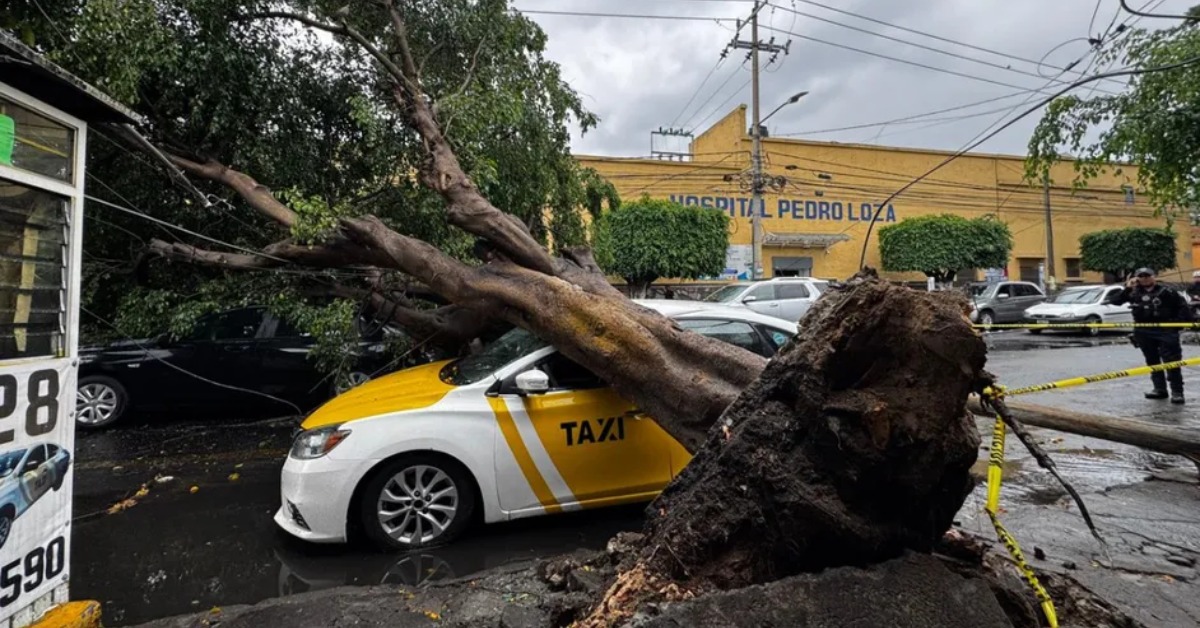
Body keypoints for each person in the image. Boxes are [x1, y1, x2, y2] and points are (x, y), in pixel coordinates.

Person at [1110, 268, 1191, 404]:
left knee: (1172, 362)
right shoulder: (1134, 292)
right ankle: (1159, 389)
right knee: (1152, 361)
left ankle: (1177, 392)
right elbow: (1115, 301)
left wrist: (1176, 325)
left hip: (1166, 330)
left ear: (1154, 277)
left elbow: (1184, 309)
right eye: (1141, 276)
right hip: (1144, 331)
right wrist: (1128, 288)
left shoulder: (1167, 292)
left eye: (1147, 276)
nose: (1144, 278)